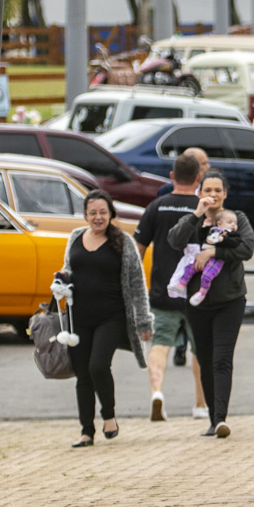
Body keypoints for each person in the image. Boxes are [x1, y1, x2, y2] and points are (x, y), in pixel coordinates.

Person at [168, 171, 254, 438]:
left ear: (225, 194)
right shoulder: (192, 220)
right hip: (196, 304)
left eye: (218, 190)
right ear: (200, 193)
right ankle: (211, 418)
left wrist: (214, 252)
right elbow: (173, 240)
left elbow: (247, 249)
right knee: (205, 360)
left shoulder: (236, 219)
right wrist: (197, 214)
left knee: (221, 360)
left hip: (229, 301)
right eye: (208, 190)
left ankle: (220, 419)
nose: (213, 195)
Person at [62, 191, 152, 447]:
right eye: (93, 213)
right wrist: (62, 277)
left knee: (98, 366)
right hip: (79, 317)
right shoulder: (76, 237)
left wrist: (143, 320)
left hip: (111, 317)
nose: (98, 217)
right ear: (85, 215)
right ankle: (86, 431)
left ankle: (109, 416)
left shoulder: (122, 242)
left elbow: (137, 284)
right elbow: (68, 268)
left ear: (111, 214)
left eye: (103, 212)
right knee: (82, 375)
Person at [134, 152, 207, 422]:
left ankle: (157, 392)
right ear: (198, 178)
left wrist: (138, 290)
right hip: (196, 292)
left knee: (160, 345)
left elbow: (137, 251)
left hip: (163, 290)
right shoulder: (203, 207)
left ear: (172, 177)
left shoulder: (157, 207)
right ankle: (200, 404)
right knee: (199, 349)